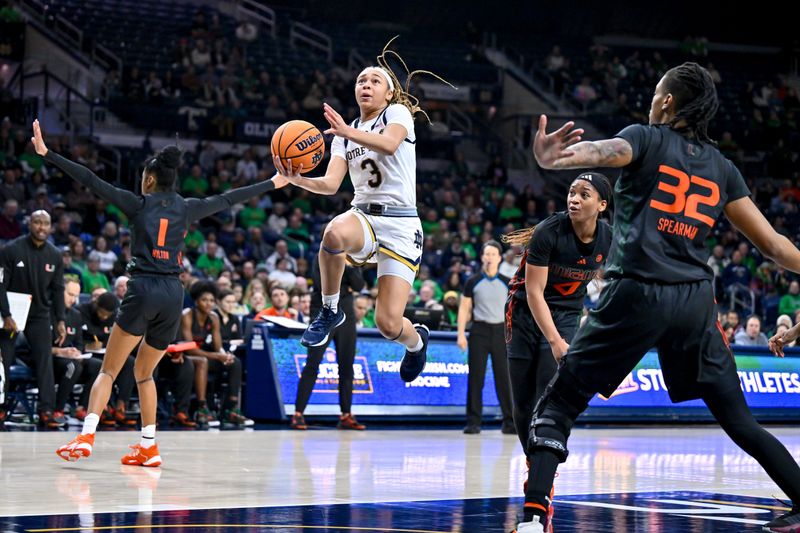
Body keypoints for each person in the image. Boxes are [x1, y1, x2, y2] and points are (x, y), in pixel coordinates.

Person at [513, 63, 800, 532]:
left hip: (638, 291)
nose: (651, 100)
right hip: (693, 301)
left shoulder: (645, 138)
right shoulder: (723, 168)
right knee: (739, 420)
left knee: (558, 405)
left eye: (656, 93)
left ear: (667, 102)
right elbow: (772, 245)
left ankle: (531, 519)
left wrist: (555, 159)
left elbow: (606, 151)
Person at [30, 121, 285, 465]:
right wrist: (273, 181)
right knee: (144, 373)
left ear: (149, 179)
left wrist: (48, 154)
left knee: (108, 370)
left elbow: (90, 180)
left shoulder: (137, 204)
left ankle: (86, 435)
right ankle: (148, 446)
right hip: (173, 293)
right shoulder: (186, 206)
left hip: (143, 286)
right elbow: (227, 199)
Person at [274, 39, 453, 383]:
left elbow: (388, 143)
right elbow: (330, 185)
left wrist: (347, 130)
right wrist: (296, 179)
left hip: (401, 223)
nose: (366, 85)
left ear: (388, 93)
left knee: (387, 324)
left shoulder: (395, 114)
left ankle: (416, 343)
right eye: (361, 80)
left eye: (374, 80)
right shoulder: (344, 135)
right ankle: (329, 310)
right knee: (334, 232)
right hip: (365, 216)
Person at [501, 173, 611, 509]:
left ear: (602, 205)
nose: (574, 199)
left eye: (584, 194)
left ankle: (540, 473)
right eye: (571, 192)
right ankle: (535, 461)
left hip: (566, 315)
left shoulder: (608, 238)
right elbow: (534, 291)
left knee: (544, 398)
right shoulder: (550, 231)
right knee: (521, 403)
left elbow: (614, 283)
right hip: (524, 312)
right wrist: (554, 340)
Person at [0, 210, 67, 429]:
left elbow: (58, 290)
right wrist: (6, 314)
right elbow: (0, 284)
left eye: (45, 223)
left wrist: (60, 320)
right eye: (37, 222)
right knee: (4, 360)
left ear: (50, 227)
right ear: (30, 224)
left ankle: (46, 410)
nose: (41, 227)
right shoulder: (11, 250)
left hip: (39, 314)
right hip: (12, 313)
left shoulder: (55, 255)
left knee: (44, 359)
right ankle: (1, 407)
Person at [291, 259, 365, 431]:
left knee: (347, 367)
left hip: (346, 315)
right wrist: (342, 271)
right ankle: (298, 413)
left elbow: (359, 285)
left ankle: (346, 414)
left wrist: (347, 266)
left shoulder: (352, 260)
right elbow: (320, 284)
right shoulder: (322, 256)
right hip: (323, 313)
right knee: (312, 364)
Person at [456, 240, 514, 435]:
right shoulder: (473, 281)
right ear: (482, 257)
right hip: (479, 331)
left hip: (500, 332)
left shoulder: (508, 282)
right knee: (476, 378)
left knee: (504, 379)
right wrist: (461, 334)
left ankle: (509, 422)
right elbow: (464, 308)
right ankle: (473, 422)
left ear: (499, 258)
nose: (489, 258)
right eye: (486, 254)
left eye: (493, 254)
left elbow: (513, 311)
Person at [181, 280, 251, 427]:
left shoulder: (213, 317)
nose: (208, 304)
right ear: (196, 301)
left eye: (212, 300)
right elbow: (188, 348)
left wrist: (224, 356)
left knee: (235, 362)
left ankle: (231, 409)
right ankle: (202, 408)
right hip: (187, 356)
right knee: (203, 361)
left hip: (207, 355)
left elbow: (218, 347)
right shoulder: (187, 315)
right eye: (204, 300)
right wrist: (217, 356)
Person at [79, 292, 136, 427]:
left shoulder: (115, 316)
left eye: (107, 314)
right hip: (86, 355)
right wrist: (87, 346)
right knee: (101, 366)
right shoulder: (81, 312)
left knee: (129, 362)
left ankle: (121, 406)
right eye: (102, 312)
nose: (104, 316)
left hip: (105, 352)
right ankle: (99, 407)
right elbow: (75, 340)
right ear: (96, 305)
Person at [55, 278, 101, 422]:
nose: (74, 300)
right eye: (70, 294)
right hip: (53, 357)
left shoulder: (75, 315)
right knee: (72, 366)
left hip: (72, 357)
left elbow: (79, 342)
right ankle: (58, 409)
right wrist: (61, 351)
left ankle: (82, 407)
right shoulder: (48, 312)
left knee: (99, 366)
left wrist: (78, 352)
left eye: (76, 296)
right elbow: (39, 347)